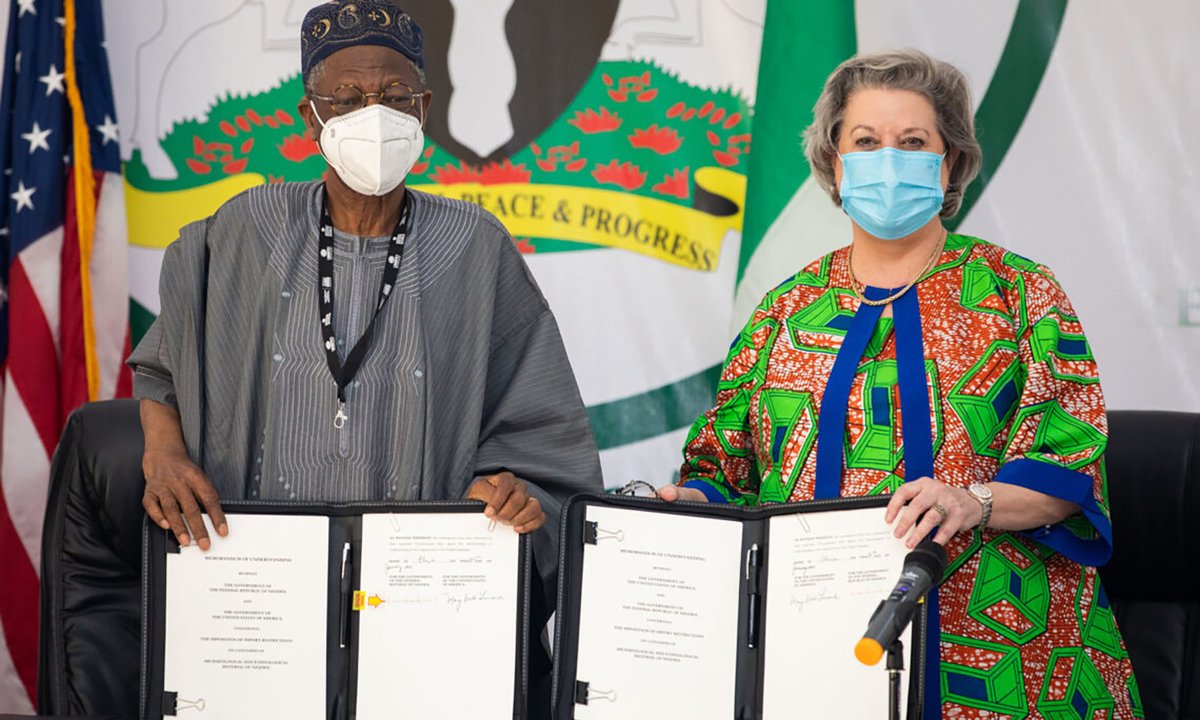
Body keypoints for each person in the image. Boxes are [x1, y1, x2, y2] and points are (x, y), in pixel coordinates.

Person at [660, 49, 1139, 717]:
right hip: (816, 660)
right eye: (866, 141)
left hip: (1006, 661)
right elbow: (726, 472)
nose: (888, 158)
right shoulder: (783, 311)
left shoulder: (1021, 293)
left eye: (913, 142)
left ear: (948, 163)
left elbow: (1067, 467)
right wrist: (681, 504)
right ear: (834, 161)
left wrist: (974, 500)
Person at [127, 0, 600, 621]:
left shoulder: (474, 247)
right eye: (346, 98)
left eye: (395, 95)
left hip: (416, 598)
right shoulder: (248, 229)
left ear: (424, 109)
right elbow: (164, 369)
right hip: (254, 584)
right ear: (312, 117)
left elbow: (539, 445)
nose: (373, 114)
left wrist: (511, 492)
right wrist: (162, 455)